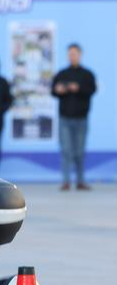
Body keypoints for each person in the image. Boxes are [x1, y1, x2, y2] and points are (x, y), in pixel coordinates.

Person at [52, 43, 96, 190]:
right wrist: (59, 90)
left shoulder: (87, 74)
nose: (72, 56)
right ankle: (65, 181)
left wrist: (78, 88)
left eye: (75, 53)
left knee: (79, 151)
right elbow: (53, 90)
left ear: (80, 54)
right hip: (65, 118)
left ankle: (80, 181)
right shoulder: (62, 74)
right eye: (70, 54)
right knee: (66, 150)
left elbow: (92, 90)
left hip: (81, 118)